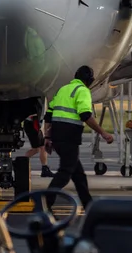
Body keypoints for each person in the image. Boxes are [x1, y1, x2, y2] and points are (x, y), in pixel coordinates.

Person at [43, 65, 114, 211]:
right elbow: (85, 116)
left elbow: (49, 114)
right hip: (69, 138)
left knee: (78, 175)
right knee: (65, 173)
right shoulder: (83, 91)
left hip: (57, 136)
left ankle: (88, 205)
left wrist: (47, 136)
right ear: (89, 80)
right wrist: (103, 133)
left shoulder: (63, 89)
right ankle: (45, 202)